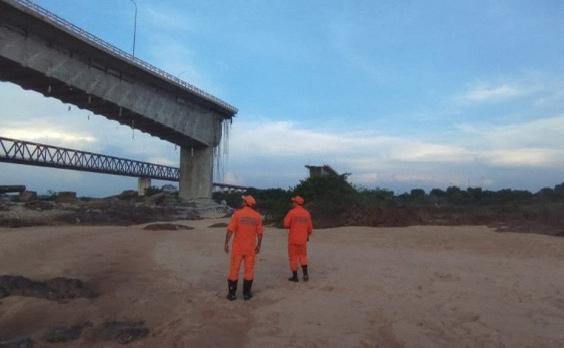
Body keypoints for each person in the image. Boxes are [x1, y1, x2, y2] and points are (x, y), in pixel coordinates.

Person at [224, 195, 263, 301]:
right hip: (250, 249)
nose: (242, 201)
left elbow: (230, 230)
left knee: (234, 270)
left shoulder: (237, 214)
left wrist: (226, 243)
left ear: (245, 203)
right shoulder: (257, 216)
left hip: (238, 248)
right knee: (249, 270)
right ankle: (246, 294)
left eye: (243, 200)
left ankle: (232, 294)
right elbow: (260, 233)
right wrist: (258, 245)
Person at [283, 195, 313, 282]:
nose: (292, 203)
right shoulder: (307, 213)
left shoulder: (292, 212)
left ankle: (295, 277)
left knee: (293, 258)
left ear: (296, 203)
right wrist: (307, 235)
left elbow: (286, 224)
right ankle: (305, 274)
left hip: (293, 239)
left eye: (293, 202)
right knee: (303, 256)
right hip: (303, 239)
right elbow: (310, 228)